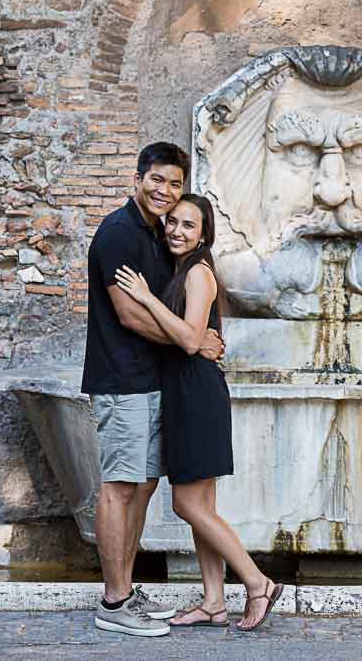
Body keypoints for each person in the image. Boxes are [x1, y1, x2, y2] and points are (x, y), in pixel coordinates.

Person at [114, 193, 284, 632]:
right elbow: (194, 339)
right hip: (189, 390)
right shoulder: (182, 271)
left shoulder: (199, 274)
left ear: (204, 234)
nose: (176, 230)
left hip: (195, 393)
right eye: (172, 222)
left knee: (188, 504)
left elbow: (190, 340)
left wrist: (148, 300)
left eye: (189, 225)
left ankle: (257, 581)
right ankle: (213, 602)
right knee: (202, 505)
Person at [81, 143, 224, 637]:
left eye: (175, 183)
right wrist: (192, 341)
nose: (166, 192)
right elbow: (129, 313)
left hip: (151, 379)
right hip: (122, 379)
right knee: (119, 487)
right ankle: (114, 601)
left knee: (141, 486)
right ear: (138, 178)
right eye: (157, 180)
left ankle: (126, 588)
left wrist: (194, 338)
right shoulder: (119, 234)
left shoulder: (156, 235)